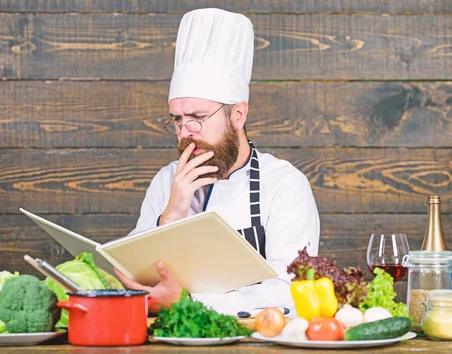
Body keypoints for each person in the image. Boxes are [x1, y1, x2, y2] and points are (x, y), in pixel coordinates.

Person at [114, 8, 320, 315]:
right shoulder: (167, 180)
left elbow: (290, 290)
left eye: (197, 118)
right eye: (178, 120)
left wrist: (189, 302)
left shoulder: (284, 185)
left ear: (238, 114)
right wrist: (172, 213)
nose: (185, 132)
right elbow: (132, 271)